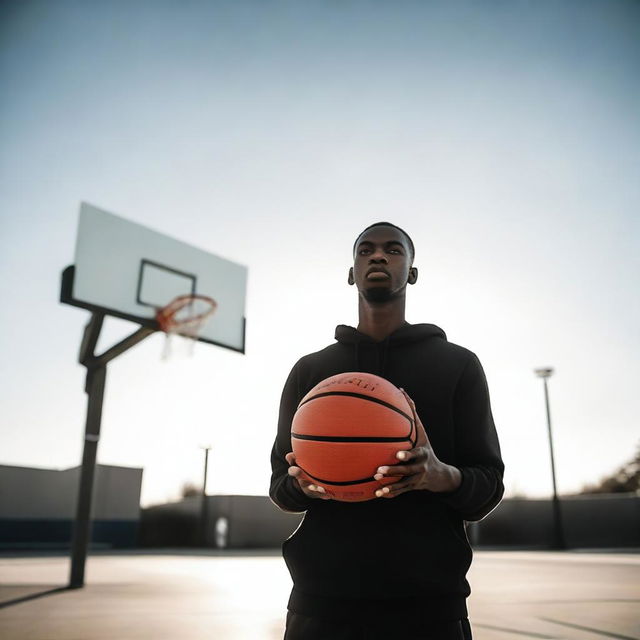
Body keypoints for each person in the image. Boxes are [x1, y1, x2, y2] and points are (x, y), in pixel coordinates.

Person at [269, 222, 504, 640]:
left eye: (393, 250)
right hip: (321, 601)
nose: (378, 256)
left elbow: (487, 490)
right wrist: (303, 485)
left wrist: (440, 476)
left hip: (430, 606)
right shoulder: (311, 371)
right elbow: (279, 487)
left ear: (411, 272)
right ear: (351, 272)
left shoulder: (458, 365)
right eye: (366, 250)